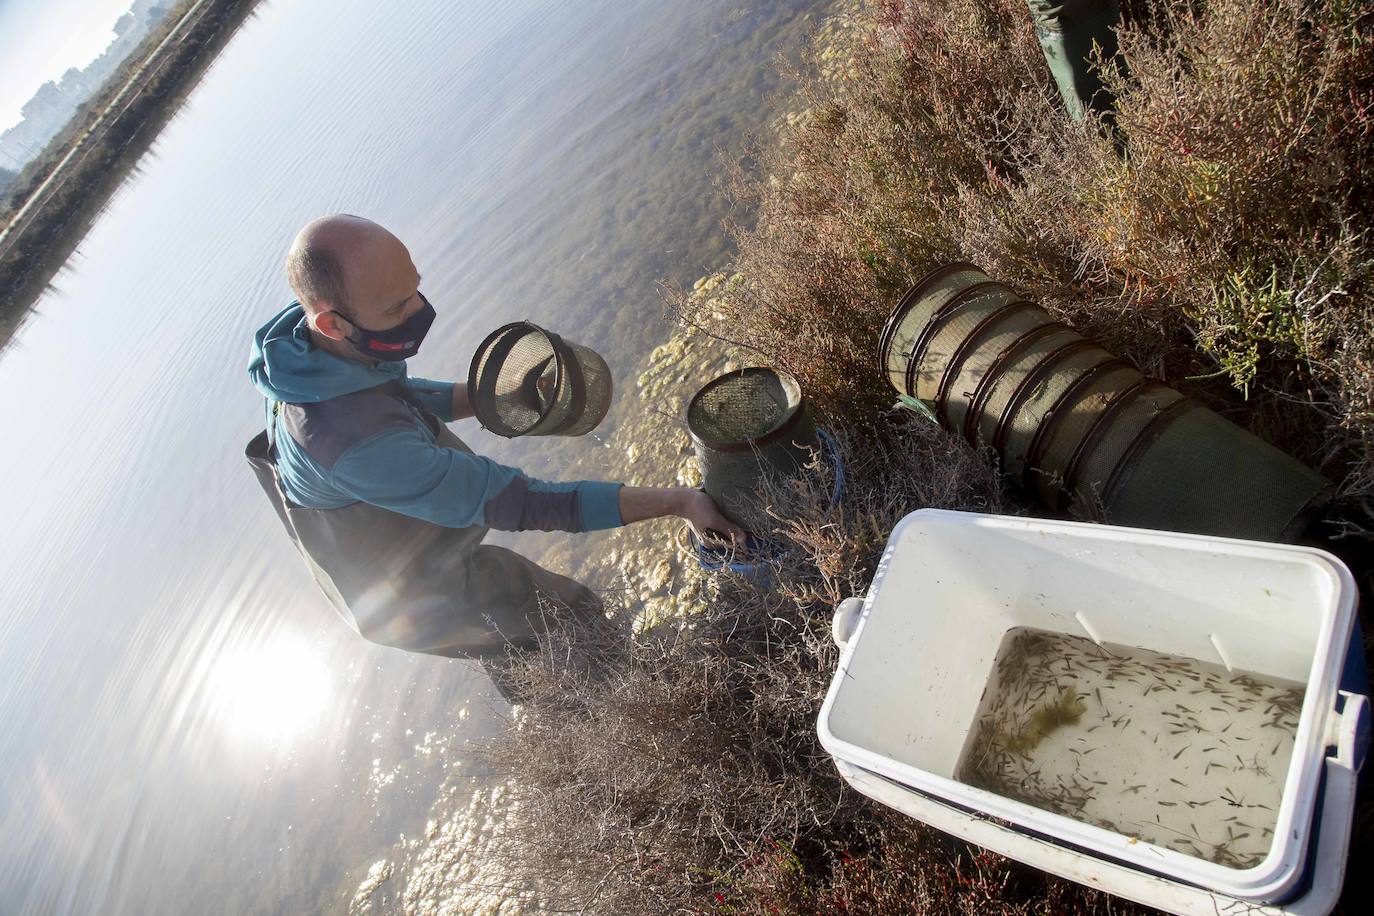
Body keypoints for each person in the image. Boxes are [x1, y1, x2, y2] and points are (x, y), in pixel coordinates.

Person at [246, 214, 741, 670]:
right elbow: (526, 503)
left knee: (543, 627)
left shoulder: (306, 349)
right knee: (559, 627)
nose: (419, 309)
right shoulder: (359, 445)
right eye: (399, 307)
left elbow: (399, 396)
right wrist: (679, 501)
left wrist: (503, 398)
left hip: (370, 498)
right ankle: (618, 713)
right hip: (406, 590)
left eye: (415, 287)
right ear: (331, 322)